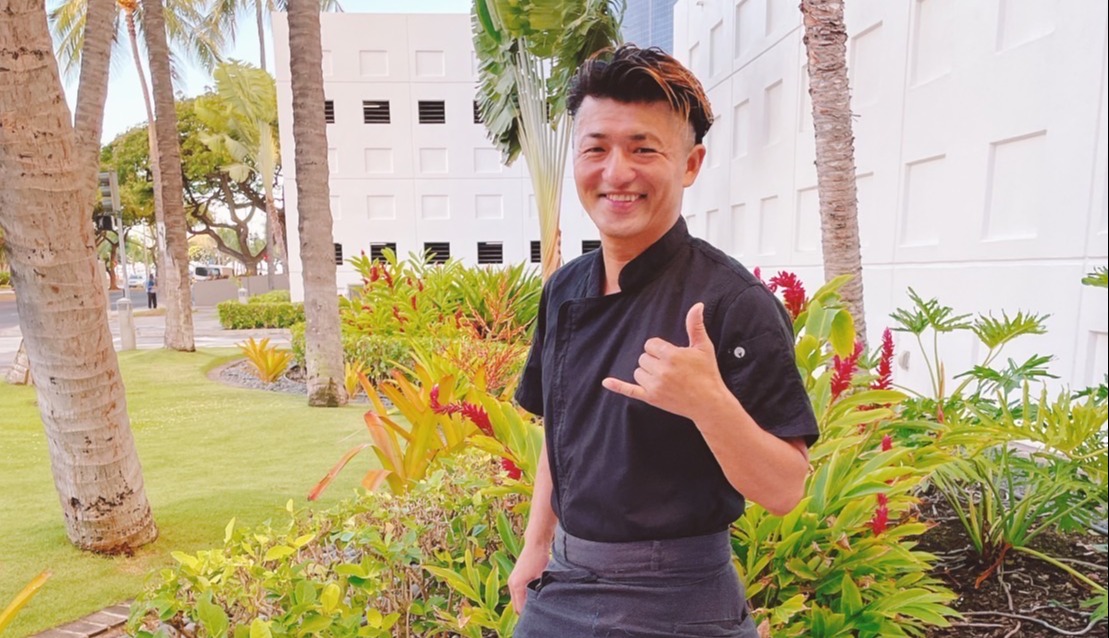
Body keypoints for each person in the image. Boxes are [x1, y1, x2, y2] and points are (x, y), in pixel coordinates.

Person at [509, 45, 820, 638]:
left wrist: (709, 404)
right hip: (567, 582)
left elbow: (786, 488)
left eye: (643, 149)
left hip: (680, 596)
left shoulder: (732, 302)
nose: (616, 173)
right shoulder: (564, 289)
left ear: (690, 164)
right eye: (596, 148)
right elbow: (562, 429)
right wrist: (536, 544)